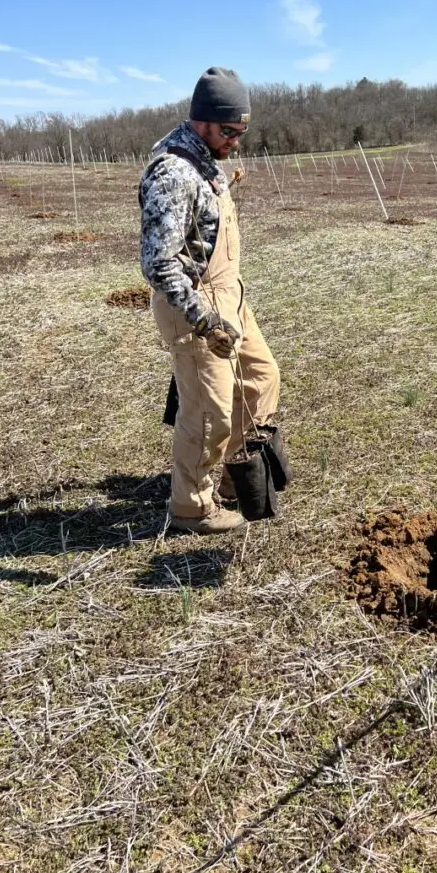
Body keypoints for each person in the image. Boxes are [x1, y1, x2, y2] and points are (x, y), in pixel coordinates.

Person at [139, 67, 281, 534]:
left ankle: (225, 475)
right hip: (194, 306)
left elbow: (200, 220)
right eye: (230, 131)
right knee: (207, 413)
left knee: (261, 380)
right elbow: (159, 265)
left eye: (242, 132)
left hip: (229, 295)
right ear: (203, 122)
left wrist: (225, 183)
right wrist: (204, 320)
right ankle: (191, 507)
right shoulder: (173, 172)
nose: (236, 140)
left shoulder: (204, 161)